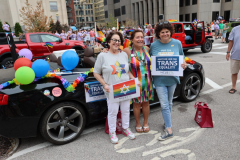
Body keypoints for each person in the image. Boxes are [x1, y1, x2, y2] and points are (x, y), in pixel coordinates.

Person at [93, 31, 136, 144]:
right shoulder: (102, 55)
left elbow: (128, 71)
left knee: (126, 110)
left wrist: (134, 80)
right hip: (112, 89)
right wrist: (104, 84)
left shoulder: (124, 54)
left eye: (119, 40)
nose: (117, 42)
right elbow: (96, 73)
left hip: (126, 87)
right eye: (114, 40)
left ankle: (126, 128)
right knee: (113, 111)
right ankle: (112, 132)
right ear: (109, 42)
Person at [150, 22, 187, 140]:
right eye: (162, 32)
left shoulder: (177, 43)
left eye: (167, 31)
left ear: (170, 32)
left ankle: (167, 123)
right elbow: (150, 60)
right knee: (164, 104)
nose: (165, 34)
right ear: (158, 34)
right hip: (159, 80)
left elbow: (182, 57)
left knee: (170, 102)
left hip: (173, 79)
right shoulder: (154, 45)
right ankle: (169, 129)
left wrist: (184, 64)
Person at [124, 30, 154, 133]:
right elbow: (123, 68)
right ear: (132, 39)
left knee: (146, 103)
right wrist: (131, 77)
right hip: (135, 83)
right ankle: (138, 123)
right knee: (136, 104)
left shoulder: (147, 49)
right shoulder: (127, 51)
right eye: (137, 37)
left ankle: (146, 122)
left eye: (141, 37)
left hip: (148, 82)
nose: (140, 39)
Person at [226, 24, 240, 94]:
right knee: (234, 72)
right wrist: (228, 52)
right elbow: (231, 41)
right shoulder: (235, 29)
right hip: (235, 55)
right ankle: (234, 87)